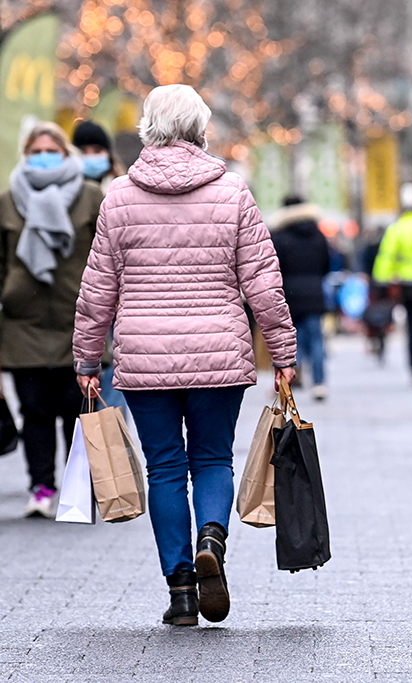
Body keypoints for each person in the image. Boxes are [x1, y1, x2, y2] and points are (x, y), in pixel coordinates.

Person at [73, 84, 296, 626]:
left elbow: (98, 288)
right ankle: (212, 544)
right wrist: (285, 352)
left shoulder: (119, 197)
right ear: (200, 129)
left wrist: (85, 359)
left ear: (148, 128)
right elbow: (263, 283)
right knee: (213, 458)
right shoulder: (233, 192)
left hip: (144, 357)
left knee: (166, 468)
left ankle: (180, 593)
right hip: (219, 352)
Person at [0, 122, 104, 518]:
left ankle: (77, 490)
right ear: (25, 156)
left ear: (65, 154)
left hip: (78, 321)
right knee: (35, 411)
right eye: (36, 151)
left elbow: (107, 259)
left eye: (52, 150)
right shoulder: (8, 202)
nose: (43, 157)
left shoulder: (90, 197)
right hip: (22, 324)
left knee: (77, 410)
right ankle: (41, 486)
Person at [72, 120, 129, 413]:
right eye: (83, 150)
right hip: (80, 298)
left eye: (97, 150)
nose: (90, 156)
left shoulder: (123, 190)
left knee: (114, 394)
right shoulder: (65, 195)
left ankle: (113, 451)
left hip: (119, 303)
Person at [372, 186, 412, 380]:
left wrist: (381, 278)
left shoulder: (397, 227)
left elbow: (387, 255)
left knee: (411, 327)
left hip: (408, 285)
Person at [270, 195, 331, 400]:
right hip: (315, 291)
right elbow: (326, 265)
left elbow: (274, 268)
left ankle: (294, 378)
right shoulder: (318, 235)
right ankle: (320, 383)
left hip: (290, 293)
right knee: (316, 339)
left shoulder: (279, 236)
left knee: (294, 338)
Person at [72, 120, 126, 192]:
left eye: (97, 151)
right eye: (83, 152)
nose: (90, 157)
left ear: (108, 153)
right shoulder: (67, 189)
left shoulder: (122, 188)